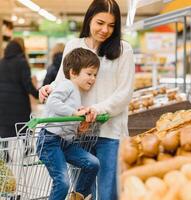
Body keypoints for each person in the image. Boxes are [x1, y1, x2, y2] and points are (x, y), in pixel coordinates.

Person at [39, 0, 135, 199]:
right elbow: (62, 81)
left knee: (107, 194)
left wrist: (95, 110)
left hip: (110, 132)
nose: (105, 30)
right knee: (83, 193)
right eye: (100, 23)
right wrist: (48, 89)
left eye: (111, 25)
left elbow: (124, 93)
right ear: (89, 18)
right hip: (78, 132)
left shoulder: (124, 50)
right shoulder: (74, 45)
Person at [37, 48, 101, 200]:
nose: (93, 78)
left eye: (95, 75)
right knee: (62, 182)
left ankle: (77, 196)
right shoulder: (67, 85)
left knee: (93, 163)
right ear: (73, 73)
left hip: (65, 143)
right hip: (50, 141)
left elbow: (66, 115)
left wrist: (79, 123)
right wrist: (74, 113)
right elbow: (52, 102)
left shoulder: (76, 91)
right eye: (89, 74)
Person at [0, 38, 39, 161]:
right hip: (19, 101)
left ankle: (5, 153)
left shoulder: (1, 62)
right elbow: (27, 84)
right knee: (23, 124)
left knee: (4, 125)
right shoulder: (22, 62)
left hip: (3, 100)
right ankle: (27, 147)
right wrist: (38, 94)